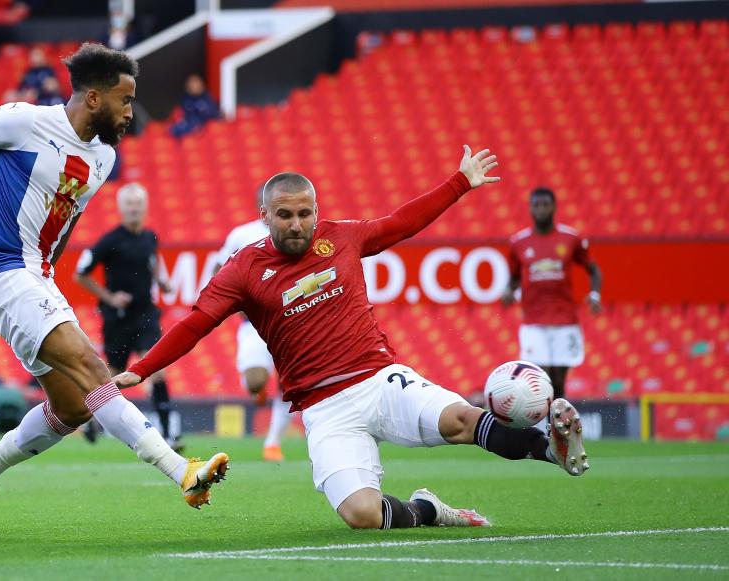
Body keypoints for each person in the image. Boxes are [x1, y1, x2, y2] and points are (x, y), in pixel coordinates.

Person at [114, 146, 591, 532]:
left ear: (316, 210)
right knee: (361, 516)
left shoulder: (341, 237)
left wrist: (459, 182)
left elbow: (401, 223)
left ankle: (547, 447)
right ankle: (429, 510)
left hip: (381, 378)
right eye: (284, 215)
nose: (297, 224)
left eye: (304, 213)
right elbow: (197, 322)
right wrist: (144, 367)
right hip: (323, 408)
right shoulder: (242, 270)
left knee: (461, 420)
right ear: (264, 215)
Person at [0, 43, 228, 534]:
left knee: (73, 407)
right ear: (91, 98)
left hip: (35, 278)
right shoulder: (23, 121)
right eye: (123, 100)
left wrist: (47, 282)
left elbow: (66, 220)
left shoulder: (103, 157)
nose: (130, 113)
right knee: (93, 369)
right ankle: (181, 471)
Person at [74, 183, 182, 451]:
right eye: (129, 204)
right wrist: (109, 298)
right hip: (118, 319)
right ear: (121, 208)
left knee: (155, 369)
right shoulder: (110, 241)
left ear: (145, 207)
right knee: (113, 375)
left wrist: (163, 281)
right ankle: (90, 418)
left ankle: (169, 435)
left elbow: (153, 261)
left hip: (145, 313)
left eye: (138, 204)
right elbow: (80, 273)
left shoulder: (149, 237)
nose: (134, 208)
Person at [502, 187, 602, 399]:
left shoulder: (570, 238)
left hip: (564, 320)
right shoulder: (518, 242)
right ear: (530, 208)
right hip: (533, 321)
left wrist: (595, 294)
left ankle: (557, 427)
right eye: (536, 205)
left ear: (554, 207)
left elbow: (593, 269)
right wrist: (508, 291)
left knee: (558, 381)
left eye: (545, 204)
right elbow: (513, 277)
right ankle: (541, 429)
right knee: (540, 377)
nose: (541, 210)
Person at [214, 185, 291, 462]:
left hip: (289, 320)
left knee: (288, 382)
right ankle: (257, 392)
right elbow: (218, 268)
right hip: (254, 324)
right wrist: (232, 304)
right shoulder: (242, 235)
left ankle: (272, 442)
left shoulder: (291, 233)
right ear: (261, 204)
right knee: (256, 381)